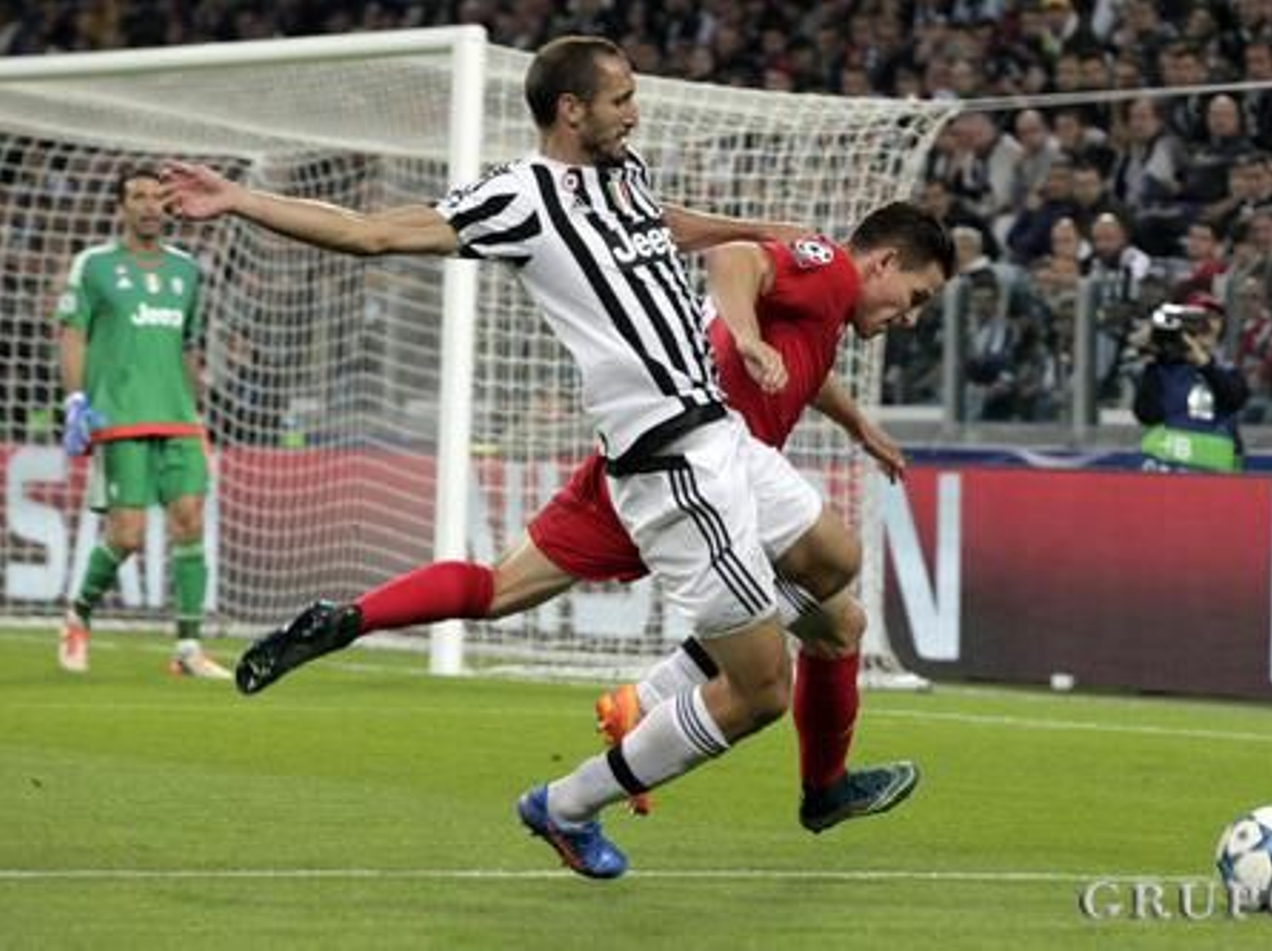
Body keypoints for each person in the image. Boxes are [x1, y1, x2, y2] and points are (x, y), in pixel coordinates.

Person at [161, 35, 941, 880]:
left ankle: (382, 627)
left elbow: (667, 225)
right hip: (674, 461)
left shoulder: (623, 173)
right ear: (571, 110)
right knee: (759, 693)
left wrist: (754, 226)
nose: (634, 112)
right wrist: (238, 198)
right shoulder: (518, 198)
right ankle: (567, 802)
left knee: (836, 565)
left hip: (716, 433)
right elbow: (374, 233)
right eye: (621, 99)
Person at [232, 203, 951, 827]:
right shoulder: (829, 268)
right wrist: (747, 336)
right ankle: (660, 706)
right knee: (826, 578)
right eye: (915, 295)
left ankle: (348, 616)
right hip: (709, 471)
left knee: (500, 586)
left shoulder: (820, 307)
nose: (910, 316)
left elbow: (805, 362)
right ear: (884, 261)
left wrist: (857, 424)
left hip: (635, 467)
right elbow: (735, 258)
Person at [55, 166, 229, 679]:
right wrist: (75, 400)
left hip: (178, 417)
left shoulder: (186, 270)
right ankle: (78, 616)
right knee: (126, 535)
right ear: (121, 206)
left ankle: (188, 648)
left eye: (157, 197)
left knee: (189, 521)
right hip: (120, 414)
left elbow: (189, 345)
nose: (150, 205)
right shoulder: (94, 266)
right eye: (138, 196)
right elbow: (73, 334)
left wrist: (195, 408)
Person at [1132, 296, 1250, 472]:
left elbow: (1235, 399)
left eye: (1214, 318)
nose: (1208, 326)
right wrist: (1153, 356)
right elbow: (1147, 414)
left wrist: (1203, 362)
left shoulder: (1227, 371)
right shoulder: (1162, 371)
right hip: (1166, 469)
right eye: (1198, 322)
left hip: (1216, 475)